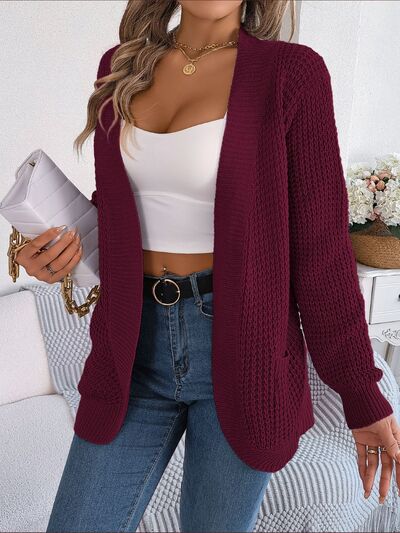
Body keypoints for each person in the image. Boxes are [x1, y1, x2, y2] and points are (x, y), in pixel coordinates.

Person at [14, 1, 400, 532]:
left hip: (245, 354)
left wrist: (362, 396)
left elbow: (322, 253)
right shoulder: (121, 66)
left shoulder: (292, 74)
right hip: (132, 350)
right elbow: (126, 207)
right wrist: (56, 250)